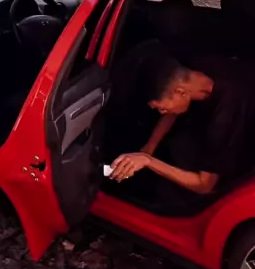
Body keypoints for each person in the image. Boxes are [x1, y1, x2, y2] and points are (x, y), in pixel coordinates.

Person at [109, 51, 255, 215]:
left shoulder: (226, 114)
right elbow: (172, 112)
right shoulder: (189, 72)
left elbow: (205, 185)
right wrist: (150, 147)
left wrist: (148, 161)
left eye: (162, 108)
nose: (162, 113)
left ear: (181, 92)